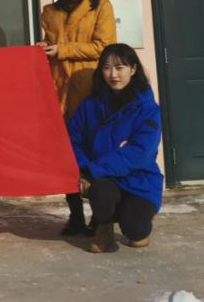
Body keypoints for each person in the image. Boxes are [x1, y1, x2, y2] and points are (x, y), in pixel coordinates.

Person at [36, 0, 117, 236]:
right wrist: (42, 48)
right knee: (66, 157)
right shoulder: (52, 11)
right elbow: (51, 44)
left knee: (94, 154)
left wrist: (62, 50)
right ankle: (75, 216)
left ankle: (99, 216)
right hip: (59, 93)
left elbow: (103, 46)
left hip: (90, 90)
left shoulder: (100, 5)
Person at [67, 43, 163, 254]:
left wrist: (93, 169)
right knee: (101, 191)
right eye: (106, 68)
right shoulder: (89, 105)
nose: (113, 75)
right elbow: (74, 140)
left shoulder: (148, 109)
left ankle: (136, 224)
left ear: (133, 69)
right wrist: (84, 168)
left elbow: (140, 153)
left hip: (139, 179)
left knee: (135, 230)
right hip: (104, 180)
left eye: (120, 68)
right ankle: (104, 226)